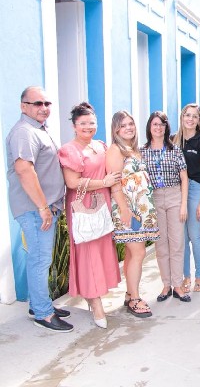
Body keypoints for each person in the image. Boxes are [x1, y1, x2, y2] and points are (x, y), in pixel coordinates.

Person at [6, 86, 72, 332]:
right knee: (40, 260)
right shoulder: (24, 132)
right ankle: (43, 314)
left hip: (43, 209)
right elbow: (24, 170)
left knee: (42, 259)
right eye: (37, 103)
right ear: (23, 106)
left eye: (47, 103)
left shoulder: (38, 129)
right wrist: (43, 207)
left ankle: (38, 305)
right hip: (35, 210)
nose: (43, 108)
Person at [57, 102, 122, 329]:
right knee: (88, 254)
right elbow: (72, 182)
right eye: (83, 123)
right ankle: (96, 304)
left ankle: (94, 293)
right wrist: (103, 182)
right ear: (74, 126)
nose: (88, 127)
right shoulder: (70, 150)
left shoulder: (101, 145)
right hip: (83, 207)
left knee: (100, 252)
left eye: (92, 122)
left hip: (102, 206)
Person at [107, 110, 159, 318]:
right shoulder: (115, 150)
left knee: (132, 254)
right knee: (139, 253)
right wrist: (125, 210)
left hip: (141, 210)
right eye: (123, 125)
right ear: (116, 130)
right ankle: (135, 298)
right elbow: (115, 185)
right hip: (128, 210)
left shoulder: (133, 149)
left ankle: (130, 294)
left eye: (131, 124)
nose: (128, 128)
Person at [140, 111, 190, 303]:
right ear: (149, 127)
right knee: (161, 245)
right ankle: (166, 285)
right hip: (154, 198)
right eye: (155, 124)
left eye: (162, 124)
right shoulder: (142, 151)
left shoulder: (175, 150)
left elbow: (184, 178)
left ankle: (178, 285)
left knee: (177, 242)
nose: (158, 128)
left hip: (174, 195)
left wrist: (183, 204)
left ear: (166, 127)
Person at [173, 104, 200, 293]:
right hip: (177, 191)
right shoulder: (174, 140)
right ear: (182, 117)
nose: (190, 119)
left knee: (194, 235)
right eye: (187, 115)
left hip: (195, 189)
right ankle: (185, 277)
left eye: (194, 116)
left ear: (199, 120)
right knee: (182, 238)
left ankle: (199, 277)